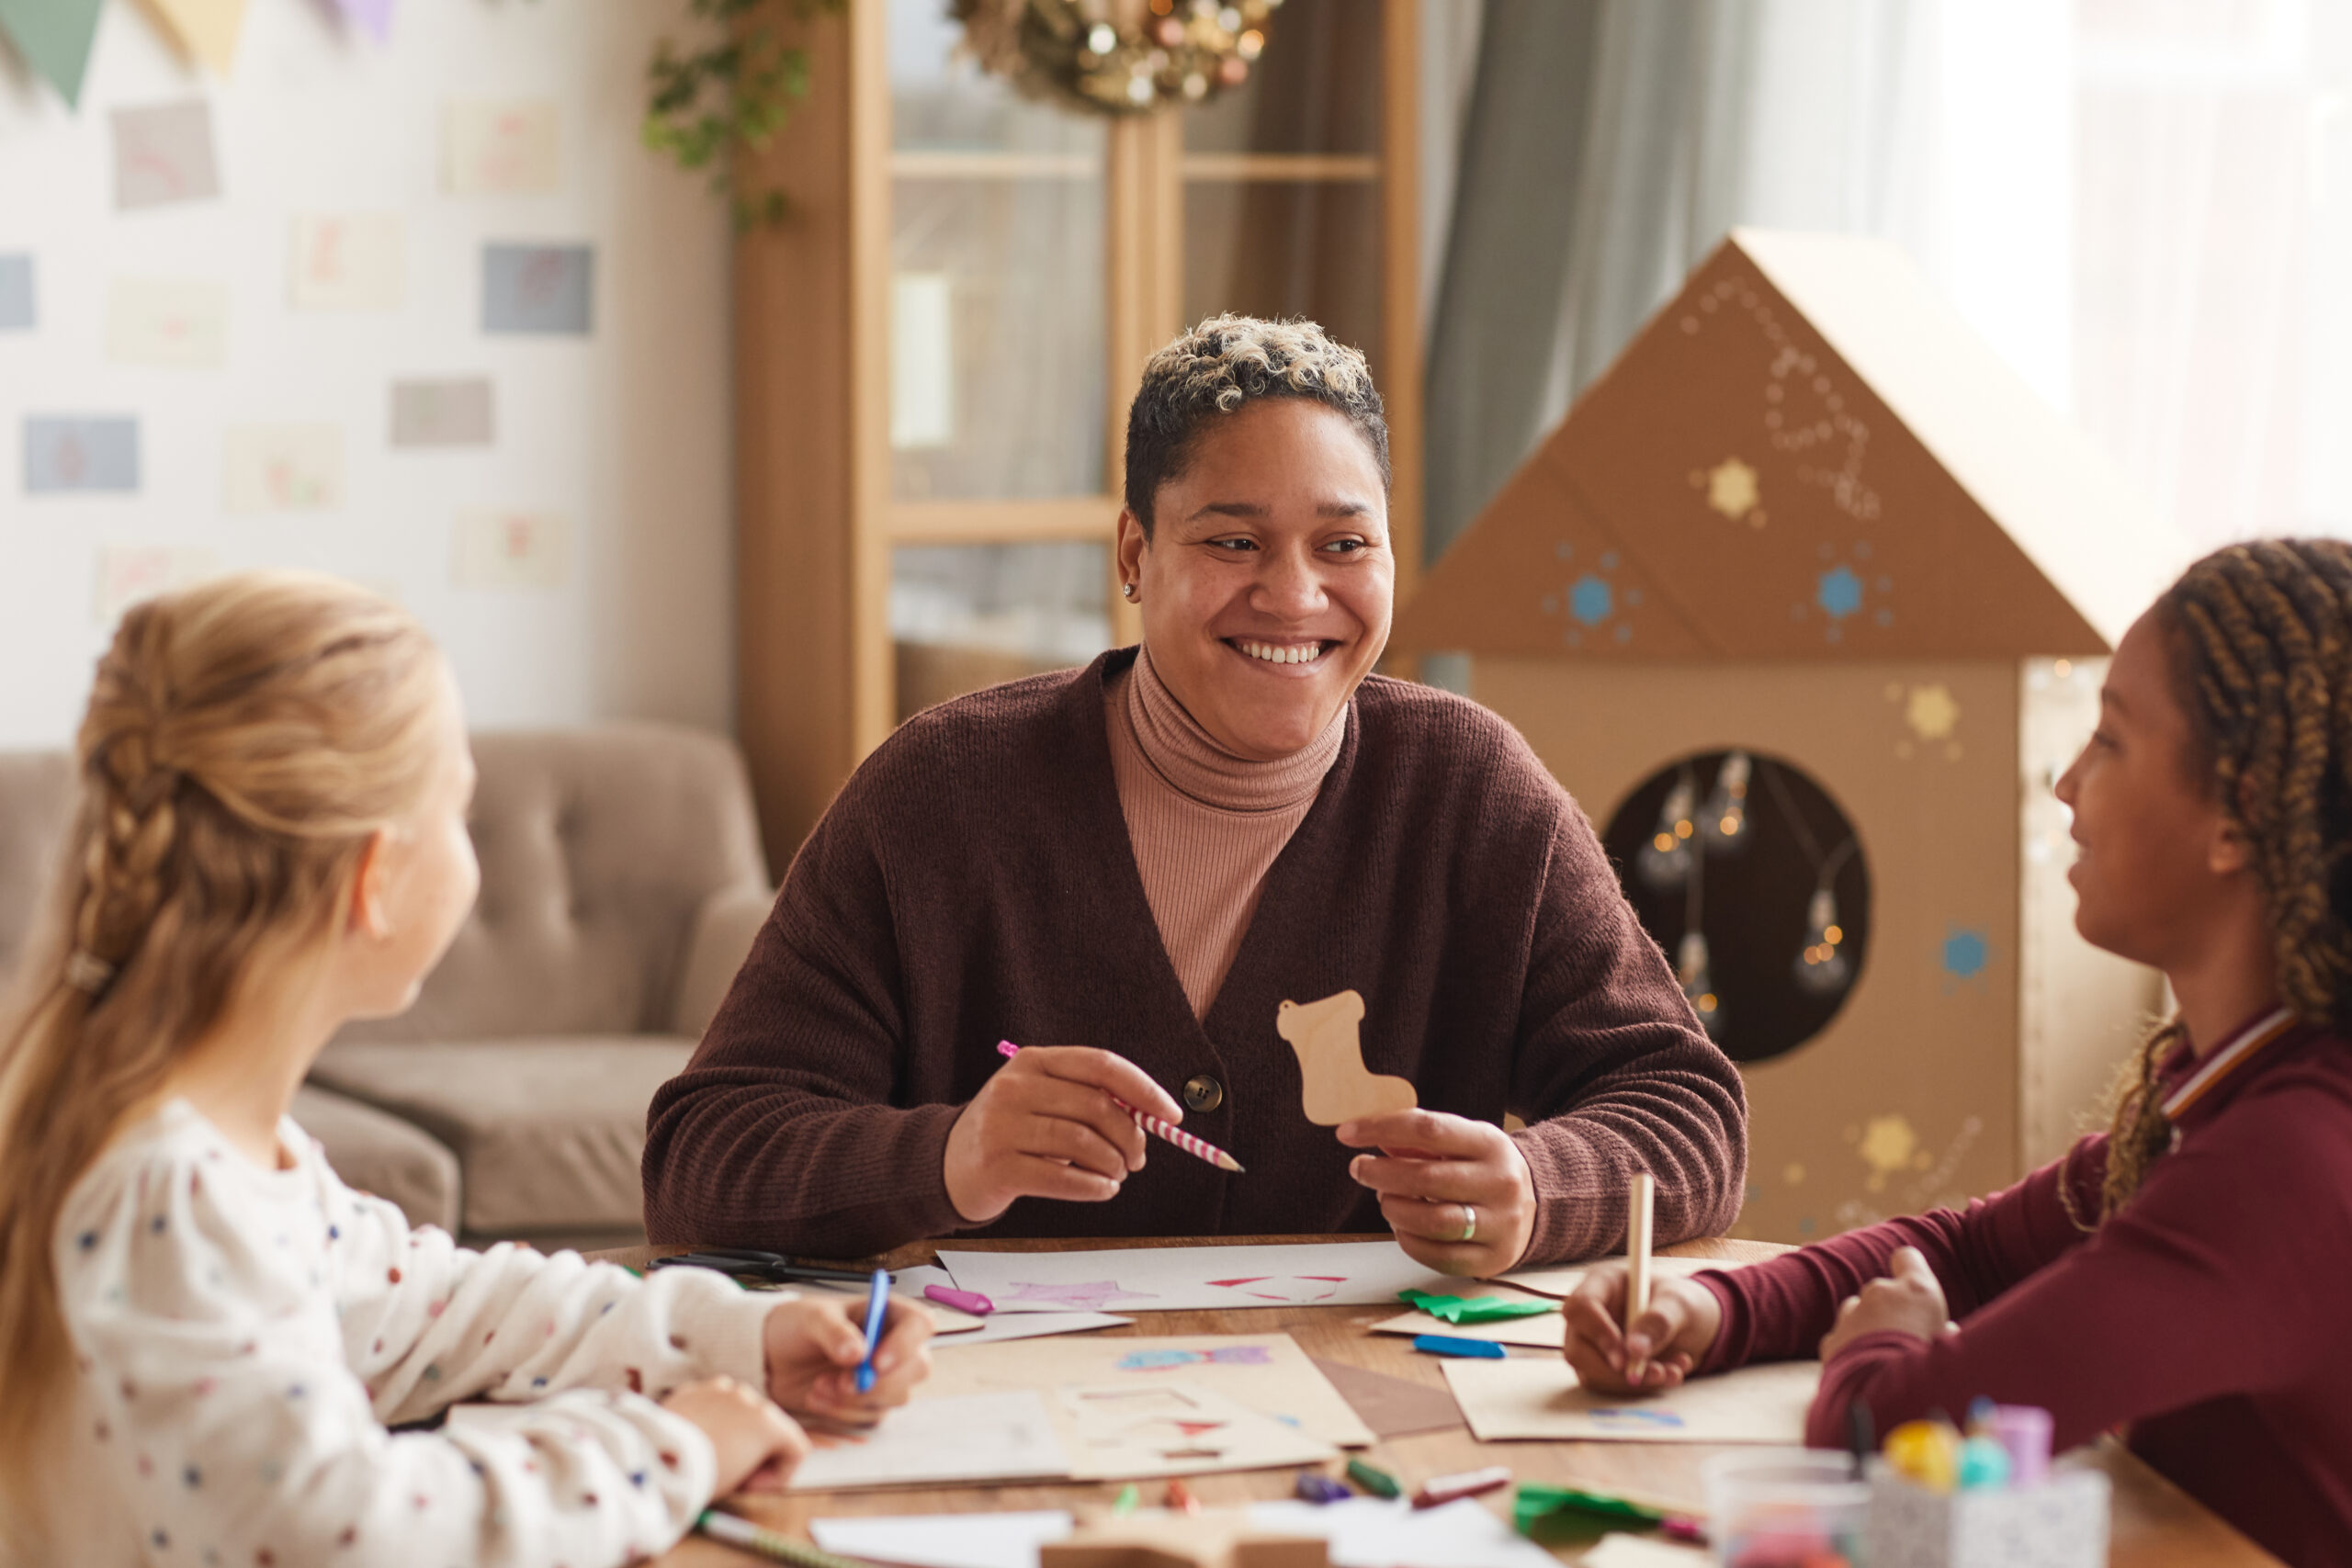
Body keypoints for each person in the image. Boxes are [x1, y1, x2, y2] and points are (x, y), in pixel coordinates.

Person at [645, 315, 1747, 1274]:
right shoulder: (940, 795)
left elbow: (1689, 1111)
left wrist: (1538, 1187)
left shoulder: (1470, 791)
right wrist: (949, 1157)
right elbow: (704, 1156)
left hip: (1374, 1418)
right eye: (1232, 541)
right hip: (1021, 1426)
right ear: (1134, 552)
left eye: (1344, 544)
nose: (1295, 594)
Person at [0, 573, 935, 1567]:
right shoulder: (172, 1194)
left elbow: (445, 1311)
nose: (474, 851)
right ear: (375, 876)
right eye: (461, 810)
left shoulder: (223, 1153)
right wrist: (673, 1448)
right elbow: (354, 1533)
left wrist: (738, 1334)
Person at [1559, 540, 2352, 1567]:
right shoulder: (2226, 1091)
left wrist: (1883, 1347)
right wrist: (1709, 1306)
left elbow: (1893, 1430)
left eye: (2109, 741)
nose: (2066, 782)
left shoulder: (2282, 1159)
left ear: (2239, 812)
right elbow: (1970, 1251)